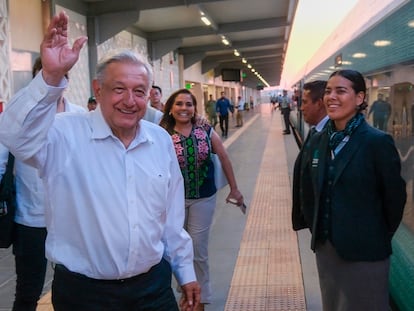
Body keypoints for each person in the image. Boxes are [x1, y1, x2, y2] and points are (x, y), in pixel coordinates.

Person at [0, 12, 200, 311]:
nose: (129, 101)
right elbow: (13, 135)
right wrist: (50, 78)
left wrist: (185, 272)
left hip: (153, 288)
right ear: (98, 90)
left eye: (139, 92)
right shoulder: (65, 133)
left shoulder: (159, 141)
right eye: (118, 89)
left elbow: (170, 221)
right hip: (84, 295)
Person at [300, 69, 406, 311]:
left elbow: (395, 199)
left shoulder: (377, 142)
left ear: (359, 98)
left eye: (341, 91)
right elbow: (309, 190)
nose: (331, 97)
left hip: (366, 250)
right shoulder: (318, 140)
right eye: (328, 91)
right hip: (327, 249)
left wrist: (374, 235)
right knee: (333, 304)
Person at [0, 57, 85, 311]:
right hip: (30, 219)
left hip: (71, 219)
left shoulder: (79, 116)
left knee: (72, 288)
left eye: (60, 75)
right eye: (45, 75)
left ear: (67, 80)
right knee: (28, 290)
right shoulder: (20, 118)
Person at [159, 88, 244, 311]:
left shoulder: (204, 128)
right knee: (173, 248)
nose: (184, 108)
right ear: (171, 108)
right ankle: (186, 290)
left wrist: (234, 189)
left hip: (203, 197)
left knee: (198, 248)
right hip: (171, 201)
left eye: (188, 104)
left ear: (194, 108)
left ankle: (200, 297)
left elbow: (223, 155)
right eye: (179, 104)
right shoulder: (161, 132)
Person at [292, 80, 328, 231]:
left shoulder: (331, 136)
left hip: (325, 229)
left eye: (305, 102)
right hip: (315, 224)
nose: (301, 108)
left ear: (319, 104)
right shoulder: (315, 131)